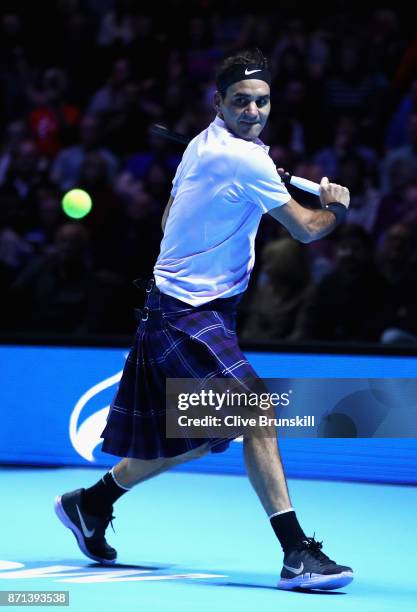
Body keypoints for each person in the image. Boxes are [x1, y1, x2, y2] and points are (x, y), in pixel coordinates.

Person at [55, 48, 353, 591]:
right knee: (256, 411)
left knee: (197, 434)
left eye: (262, 102)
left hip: (192, 306)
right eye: (241, 102)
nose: (254, 111)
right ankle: (296, 555)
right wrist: (336, 205)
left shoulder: (201, 145)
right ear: (220, 102)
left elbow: (171, 215)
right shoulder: (246, 160)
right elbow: (309, 229)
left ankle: (91, 504)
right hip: (185, 313)